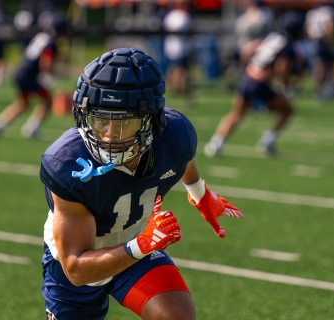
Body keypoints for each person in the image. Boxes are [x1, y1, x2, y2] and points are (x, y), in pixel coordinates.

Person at [39, 47, 243, 319]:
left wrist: (200, 194)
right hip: (80, 265)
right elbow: (76, 269)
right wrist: (142, 245)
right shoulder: (68, 162)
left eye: (125, 123)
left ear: (151, 121)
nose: (110, 135)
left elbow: (183, 158)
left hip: (136, 249)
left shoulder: (174, 135)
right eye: (100, 120)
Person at [204, 11, 305, 157]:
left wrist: (249, 67)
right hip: (260, 84)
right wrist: (285, 85)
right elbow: (281, 67)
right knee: (288, 109)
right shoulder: (286, 45)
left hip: (248, 78)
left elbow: (249, 50)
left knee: (237, 114)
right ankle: (268, 141)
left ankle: (215, 144)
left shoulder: (272, 37)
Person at [0, 12, 67, 138]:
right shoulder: (51, 42)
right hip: (29, 76)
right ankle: (32, 128)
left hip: (21, 72)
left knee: (23, 103)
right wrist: (48, 75)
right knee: (47, 101)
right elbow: (46, 61)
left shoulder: (41, 36)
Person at [305, 5, 334, 100]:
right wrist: (330, 40)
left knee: (317, 65)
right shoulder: (328, 10)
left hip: (313, 41)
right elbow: (329, 25)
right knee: (327, 66)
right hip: (322, 40)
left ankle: (319, 89)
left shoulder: (311, 12)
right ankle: (327, 89)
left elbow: (306, 28)